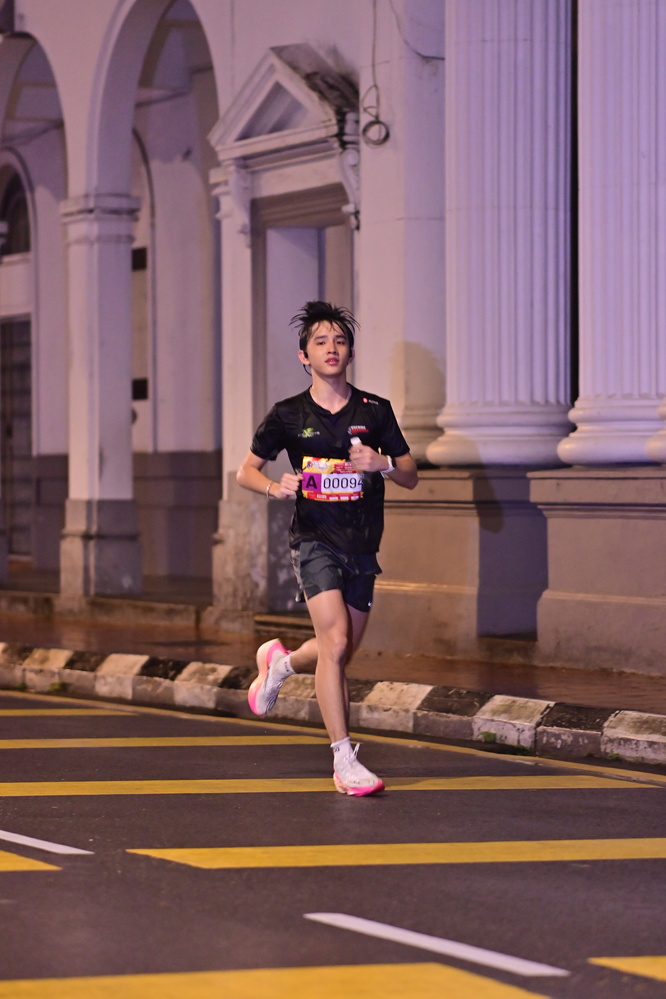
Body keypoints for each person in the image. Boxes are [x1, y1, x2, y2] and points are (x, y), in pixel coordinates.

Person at [236, 301, 418, 795]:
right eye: (320, 342)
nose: (331, 348)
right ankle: (344, 760)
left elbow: (410, 475)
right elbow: (245, 471)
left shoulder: (375, 410)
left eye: (339, 341)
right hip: (314, 541)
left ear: (351, 353)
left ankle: (280, 664)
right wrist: (275, 487)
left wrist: (381, 463)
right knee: (335, 643)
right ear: (305, 356)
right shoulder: (288, 414)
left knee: (340, 649)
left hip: (363, 544)